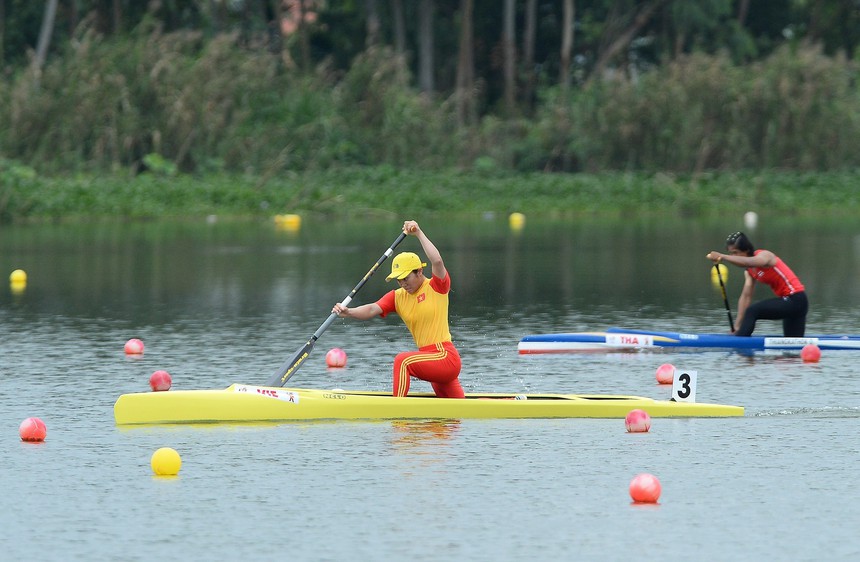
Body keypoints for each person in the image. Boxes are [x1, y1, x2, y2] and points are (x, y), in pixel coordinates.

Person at [332, 220, 464, 398]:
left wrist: (418, 233)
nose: (402, 284)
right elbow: (372, 309)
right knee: (456, 413)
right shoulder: (397, 296)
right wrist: (348, 312)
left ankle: (397, 410)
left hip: (444, 356)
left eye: (405, 278)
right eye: (399, 280)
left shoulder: (436, 286)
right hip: (429, 360)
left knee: (402, 361)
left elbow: (437, 261)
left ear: (419, 271)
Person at [706, 231, 808, 337]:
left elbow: (750, 262)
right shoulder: (749, 271)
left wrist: (722, 256)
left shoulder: (765, 256)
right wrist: (737, 326)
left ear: (746, 250)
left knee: (753, 311)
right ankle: (740, 336)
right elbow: (746, 297)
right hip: (789, 303)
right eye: (731, 253)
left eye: (735, 252)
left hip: (796, 300)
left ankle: (742, 340)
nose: (733, 256)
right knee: (793, 342)